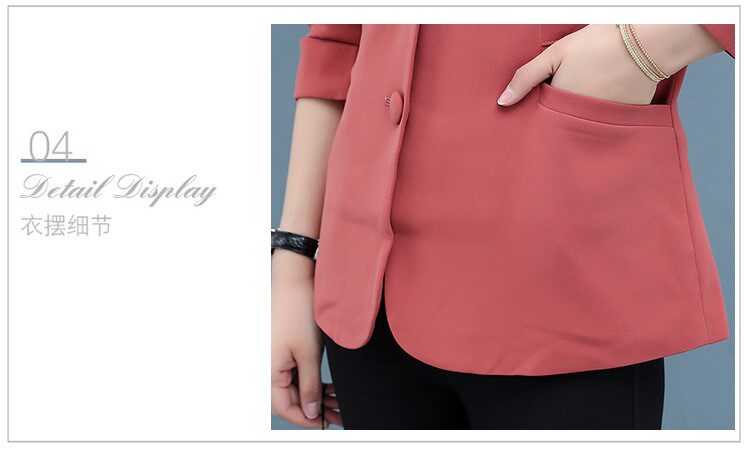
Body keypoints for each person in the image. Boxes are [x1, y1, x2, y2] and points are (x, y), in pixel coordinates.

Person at [271, 24, 735, 430]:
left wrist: (639, 49)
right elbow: (341, 39)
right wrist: (293, 262)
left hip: (560, 285)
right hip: (370, 302)